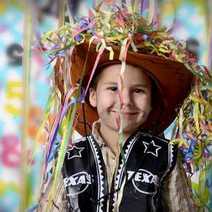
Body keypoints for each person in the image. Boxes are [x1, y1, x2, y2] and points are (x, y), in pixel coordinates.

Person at [37, 2, 200, 212]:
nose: (125, 101)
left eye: (138, 91)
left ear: (152, 101)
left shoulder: (165, 157)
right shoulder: (70, 158)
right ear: (93, 96)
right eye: (113, 88)